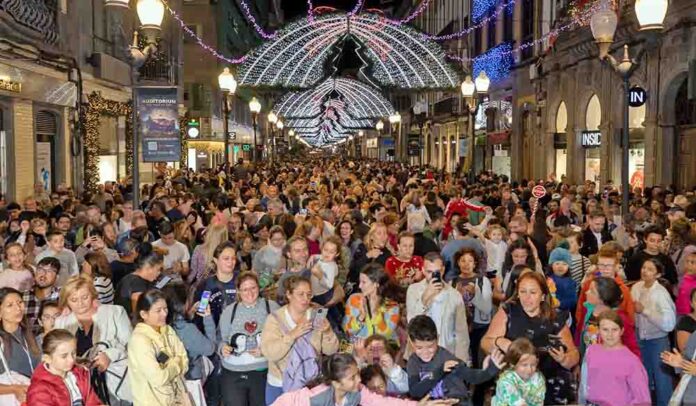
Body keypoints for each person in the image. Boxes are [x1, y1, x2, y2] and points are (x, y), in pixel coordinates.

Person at [482, 271, 579, 404]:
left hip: (548, 383)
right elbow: (485, 343)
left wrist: (564, 359)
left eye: (533, 293)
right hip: (513, 383)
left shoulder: (555, 317)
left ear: (543, 296)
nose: (527, 298)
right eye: (523, 292)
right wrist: (499, 342)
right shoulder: (508, 311)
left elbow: (574, 354)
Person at [260, 275, 339, 404]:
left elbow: (331, 350)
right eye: (300, 294)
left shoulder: (316, 315)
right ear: (289, 294)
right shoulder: (274, 319)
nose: (305, 299)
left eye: (309, 294)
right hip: (279, 384)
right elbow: (270, 353)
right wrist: (292, 335)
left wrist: (328, 332)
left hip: (310, 386)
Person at [54, 275, 132, 404]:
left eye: (85, 297)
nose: (80, 303)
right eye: (74, 300)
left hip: (115, 385)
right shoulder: (61, 323)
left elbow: (131, 346)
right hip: (78, 389)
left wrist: (110, 355)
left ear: (93, 295)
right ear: (66, 301)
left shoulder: (114, 313)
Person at [273, 353, 458, 406]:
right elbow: (283, 402)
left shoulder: (358, 392)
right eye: (352, 378)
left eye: (357, 374)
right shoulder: (311, 398)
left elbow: (384, 402)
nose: (358, 380)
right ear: (336, 383)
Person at [406, 315, 504, 405]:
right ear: (411, 342)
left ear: (438, 338)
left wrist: (490, 370)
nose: (425, 352)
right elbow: (415, 392)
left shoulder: (446, 358)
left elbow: (472, 377)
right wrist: (439, 372)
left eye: (430, 346)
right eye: (419, 348)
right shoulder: (413, 362)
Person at [218, 272, 279, 406]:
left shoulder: (271, 307)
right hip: (233, 371)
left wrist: (265, 351)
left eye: (253, 288)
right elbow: (221, 340)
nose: (249, 292)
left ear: (259, 288)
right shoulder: (229, 311)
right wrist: (223, 348)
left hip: (262, 371)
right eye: (245, 289)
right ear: (239, 291)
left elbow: (281, 338)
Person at [128, 288, 189, 406]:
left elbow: (185, 362)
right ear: (144, 314)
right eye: (158, 310)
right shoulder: (139, 340)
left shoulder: (168, 330)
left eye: (165, 309)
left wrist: (170, 366)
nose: (164, 314)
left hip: (177, 399)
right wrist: (176, 362)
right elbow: (159, 378)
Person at [579, 310, 651, 406]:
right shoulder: (591, 351)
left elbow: (643, 400)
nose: (610, 334)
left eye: (614, 329)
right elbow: (584, 384)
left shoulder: (632, 361)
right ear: (598, 330)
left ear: (622, 331)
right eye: (605, 329)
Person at [406, 252, 470, 362]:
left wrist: (461, 361)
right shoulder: (413, 290)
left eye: (437, 272)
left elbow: (462, 333)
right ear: (422, 270)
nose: (433, 276)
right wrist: (425, 298)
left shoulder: (454, 295)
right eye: (429, 272)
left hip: (446, 354)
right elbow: (411, 322)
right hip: (419, 356)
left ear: (443, 270)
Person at [630, 258, 676, 405]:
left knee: (662, 380)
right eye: (644, 267)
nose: (645, 271)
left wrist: (645, 311)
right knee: (643, 377)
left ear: (658, 275)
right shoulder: (636, 287)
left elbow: (669, 324)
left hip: (658, 341)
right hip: (640, 338)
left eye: (650, 270)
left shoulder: (661, 293)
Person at [26, 329, 102, 406]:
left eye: (73, 353)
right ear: (47, 358)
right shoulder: (39, 390)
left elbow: (93, 401)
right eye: (64, 356)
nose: (71, 359)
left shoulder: (79, 375)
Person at [163, 282, 216, 387]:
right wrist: (208, 318)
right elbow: (210, 349)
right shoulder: (187, 330)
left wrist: (188, 314)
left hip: (170, 379)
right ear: (182, 304)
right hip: (190, 381)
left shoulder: (163, 326)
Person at [576, 276, 640, 357]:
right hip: (588, 362)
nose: (586, 292)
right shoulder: (588, 310)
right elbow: (581, 335)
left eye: (592, 291)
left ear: (602, 298)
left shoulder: (619, 318)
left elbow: (632, 346)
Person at [451, 248, 493, 365]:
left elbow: (487, 308)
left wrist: (475, 295)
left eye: (470, 261)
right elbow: (449, 309)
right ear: (458, 263)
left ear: (475, 263)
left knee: (478, 360)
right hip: (459, 328)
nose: (466, 264)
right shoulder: (452, 282)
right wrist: (457, 295)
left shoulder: (483, 281)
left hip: (479, 327)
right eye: (463, 261)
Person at [0, 287, 41, 404]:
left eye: (20, 302)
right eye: (10, 305)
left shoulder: (31, 335)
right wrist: (13, 389)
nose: (18, 308)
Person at [343, 264, 402, 343]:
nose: (360, 286)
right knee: (342, 352)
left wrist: (374, 312)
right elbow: (347, 331)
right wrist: (361, 317)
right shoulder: (354, 299)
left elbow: (385, 334)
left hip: (380, 346)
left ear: (376, 284)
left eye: (364, 282)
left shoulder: (392, 306)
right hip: (354, 343)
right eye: (360, 281)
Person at [193, 241, 238, 327]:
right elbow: (200, 314)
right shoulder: (206, 285)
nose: (231, 262)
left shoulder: (242, 280)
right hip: (214, 331)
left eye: (233, 258)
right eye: (226, 258)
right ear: (216, 260)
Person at [491, 337, 546, 406]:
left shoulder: (538, 378)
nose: (529, 370)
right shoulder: (505, 380)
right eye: (524, 365)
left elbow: (539, 402)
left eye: (533, 365)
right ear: (513, 364)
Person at [115, 250, 163, 315]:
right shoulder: (137, 283)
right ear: (148, 268)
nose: (159, 273)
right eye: (158, 269)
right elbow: (137, 313)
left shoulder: (132, 277)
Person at [23, 256, 61, 332]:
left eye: (49, 271)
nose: (43, 274)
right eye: (40, 269)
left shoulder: (61, 296)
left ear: (57, 277)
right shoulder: (22, 297)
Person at [252, 225, 286, 290]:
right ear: (270, 239)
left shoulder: (287, 250)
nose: (279, 242)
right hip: (266, 286)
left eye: (280, 239)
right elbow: (255, 271)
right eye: (275, 240)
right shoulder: (262, 252)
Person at [547, 246, 578, 314]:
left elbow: (573, 301)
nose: (560, 266)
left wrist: (560, 304)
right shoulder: (547, 279)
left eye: (564, 264)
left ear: (568, 266)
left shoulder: (571, 282)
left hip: (563, 314)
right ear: (551, 265)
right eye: (557, 263)